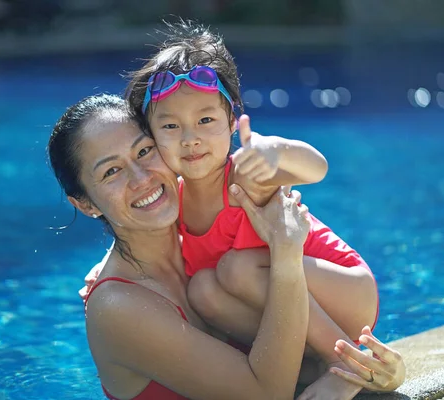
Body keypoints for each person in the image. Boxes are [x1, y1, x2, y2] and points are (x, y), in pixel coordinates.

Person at [124, 20, 379, 398]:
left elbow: (318, 167)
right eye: (171, 126)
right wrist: (105, 271)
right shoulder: (170, 201)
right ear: (152, 134)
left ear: (231, 122)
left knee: (236, 268)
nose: (190, 138)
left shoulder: (245, 174)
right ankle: (307, 365)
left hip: (346, 290)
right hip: (298, 309)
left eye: (205, 120)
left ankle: (345, 363)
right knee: (203, 291)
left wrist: (274, 151)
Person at [49, 94, 311, 399]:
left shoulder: (209, 230)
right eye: (111, 171)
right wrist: (287, 255)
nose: (141, 178)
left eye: (145, 151)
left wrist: (359, 369)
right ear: (84, 204)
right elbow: (267, 396)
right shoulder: (119, 306)